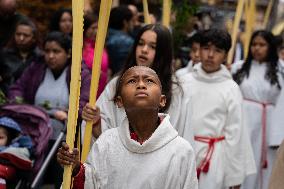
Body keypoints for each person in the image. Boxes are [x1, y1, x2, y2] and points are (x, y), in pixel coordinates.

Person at [57, 66, 198, 189]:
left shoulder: (181, 150)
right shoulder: (106, 143)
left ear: (162, 100)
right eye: (132, 81)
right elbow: (91, 182)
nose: (141, 85)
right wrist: (76, 170)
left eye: (149, 80)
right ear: (119, 101)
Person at [82, 24, 192, 144]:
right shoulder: (117, 84)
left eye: (152, 46)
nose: (144, 50)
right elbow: (104, 131)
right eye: (141, 43)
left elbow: (182, 135)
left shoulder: (176, 91)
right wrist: (96, 121)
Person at [179, 29, 256, 189]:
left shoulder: (231, 88)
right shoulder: (183, 82)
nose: (210, 55)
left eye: (218, 51)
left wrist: (234, 176)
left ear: (226, 55)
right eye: (206, 48)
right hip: (183, 154)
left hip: (214, 160)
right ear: (199, 50)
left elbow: (235, 134)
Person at [232, 30, 281, 189]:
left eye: (262, 45)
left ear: (270, 47)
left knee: (265, 162)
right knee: (244, 158)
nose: (257, 48)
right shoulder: (239, 68)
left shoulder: (280, 70)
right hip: (244, 120)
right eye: (254, 44)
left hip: (270, 123)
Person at [0, 18, 43, 95]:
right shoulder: (4, 55)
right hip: (6, 98)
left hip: (30, 100)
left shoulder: (40, 58)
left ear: (34, 38)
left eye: (26, 35)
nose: (21, 38)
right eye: (18, 34)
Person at [0, 116, 33, 189]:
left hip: (7, 168)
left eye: (0, 138)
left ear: (9, 139)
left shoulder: (14, 148)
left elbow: (27, 149)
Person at [82, 13, 109, 98]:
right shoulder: (80, 47)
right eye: (93, 28)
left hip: (101, 92)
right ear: (85, 28)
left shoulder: (101, 46)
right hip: (85, 92)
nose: (96, 31)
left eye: (98, 28)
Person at [106, 5, 134, 76]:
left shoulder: (104, 36)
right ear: (125, 22)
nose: (133, 24)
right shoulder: (127, 42)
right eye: (132, 21)